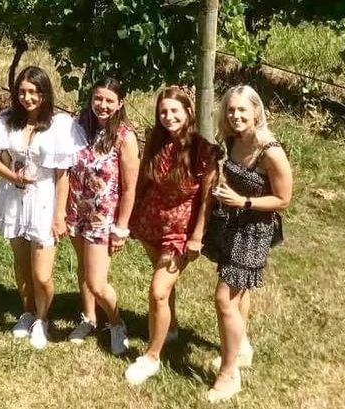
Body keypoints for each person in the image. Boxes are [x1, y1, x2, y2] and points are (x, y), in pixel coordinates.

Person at [203, 85, 292, 402]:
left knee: (224, 298)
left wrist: (243, 201)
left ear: (256, 111)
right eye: (230, 109)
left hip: (254, 230)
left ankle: (229, 375)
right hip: (232, 224)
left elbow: (283, 199)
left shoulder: (270, 151)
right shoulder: (232, 139)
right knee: (239, 294)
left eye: (242, 109)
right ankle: (241, 349)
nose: (236, 115)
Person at [0, 66, 83, 350]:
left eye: (33, 92)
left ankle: (43, 318)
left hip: (44, 200)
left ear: (44, 94)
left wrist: (59, 215)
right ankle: (27, 311)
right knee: (21, 263)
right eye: (22, 92)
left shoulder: (58, 125)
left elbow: (62, 175)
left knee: (42, 274)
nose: (27, 98)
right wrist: (13, 177)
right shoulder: (6, 120)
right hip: (14, 199)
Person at [124, 86, 216, 385]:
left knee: (158, 291)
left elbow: (207, 198)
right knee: (162, 285)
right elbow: (144, 179)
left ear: (188, 112)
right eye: (163, 111)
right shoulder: (156, 139)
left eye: (174, 111)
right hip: (152, 222)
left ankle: (151, 357)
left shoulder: (203, 150)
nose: (168, 116)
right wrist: (131, 215)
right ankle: (171, 328)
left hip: (180, 231)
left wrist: (197, 235)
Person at [64, 78, 139, 356]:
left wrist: (121, 228)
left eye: (109, 100)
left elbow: (130, 188)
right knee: (83, 270)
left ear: (120, 104)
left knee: (97, 282)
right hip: (77, 210)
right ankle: (89, 319)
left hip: (103, 219)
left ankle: (116, 322)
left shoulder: (124, 137)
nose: (103, 105)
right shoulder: (80, 126)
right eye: (98, 98)